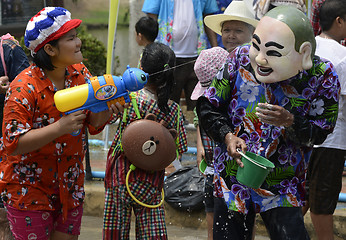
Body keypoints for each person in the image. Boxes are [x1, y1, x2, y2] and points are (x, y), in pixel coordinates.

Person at [196, 6, 340, 239]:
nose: (260, 58)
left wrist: (291, 121)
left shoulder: (321, 75)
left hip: (283, 182)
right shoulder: (240, 58)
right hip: (233, 176)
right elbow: (207, 106)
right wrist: (227, 136)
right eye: (256, 46)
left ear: (303, 54)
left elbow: (321, 132)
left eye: (273, 52)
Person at [0, 7, 122, 240]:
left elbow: (94, 124)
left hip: (70, 187)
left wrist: (107, 108)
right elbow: (13, 143)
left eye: (76, 35)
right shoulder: (23, 88)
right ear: (49, 49)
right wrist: (59, 128)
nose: (79, 42)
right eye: (71, 38)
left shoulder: (81, 75)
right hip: (28, 191)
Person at [102, 42, 188, 240]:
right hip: (150, 182)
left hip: (119, 177)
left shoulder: (127, 98)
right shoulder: (173, 110)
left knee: (114, 233)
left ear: (141, 68)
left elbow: (102, 120)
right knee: (153, 235)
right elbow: (178, 151)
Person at [303, 0, 346, 239]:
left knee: (302, 193)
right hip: (332, 139)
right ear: (339, 21)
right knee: (324, 201)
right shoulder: (343, 56)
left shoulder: (308, 47)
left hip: (302, 134)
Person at [141, 0, 219, 113]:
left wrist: (215, 48)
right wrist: (153, 51)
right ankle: (169, 127)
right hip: (167, 56)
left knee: (199, 103)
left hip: (197, 56)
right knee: (167, 102)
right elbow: (151, 18)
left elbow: (208, 17)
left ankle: (196, 127)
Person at [192, 46, 229, 240]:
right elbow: (199, 120)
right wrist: (199, 145)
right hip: (214, 169)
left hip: (229, 171)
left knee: (236, 220)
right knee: (213, 218)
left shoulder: (234, 103)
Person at [0, 33, 29, 240]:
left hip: (7, 145)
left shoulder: (9, 49)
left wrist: (10, 87)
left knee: (4, 217)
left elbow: (29, 88)